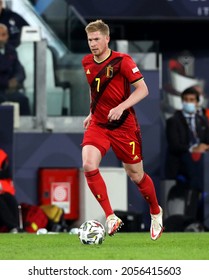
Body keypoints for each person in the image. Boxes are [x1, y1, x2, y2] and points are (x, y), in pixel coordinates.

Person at [81, 19, 163, 240]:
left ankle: (156, 211)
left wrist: (121, 106)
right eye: (90, 39)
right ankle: (110, 216)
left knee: (136, 175)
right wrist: (91, 112)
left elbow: (143, 89)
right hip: (99, 123)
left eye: (97, 39)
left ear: (107, 39)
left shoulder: (122, 61)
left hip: (124, 126)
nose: (93, 44)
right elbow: (94, 89)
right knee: (88, 163)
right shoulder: (87, 62)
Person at [165, 86, 209, 190]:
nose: (188, 103)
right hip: (181, 166)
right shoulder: (173, 121)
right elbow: (174, 146)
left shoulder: (202, 120)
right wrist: (193, 149)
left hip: (201, 164)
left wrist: (206, 147)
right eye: (185, 100)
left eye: (191, 100)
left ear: (197, 103)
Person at [0, 23, 30, 115]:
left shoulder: (11, 51)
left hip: (9, 90)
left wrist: (16, 80)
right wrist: (7, 83)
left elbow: (20, 70)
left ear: (7, 36)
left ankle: (26, 128)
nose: (0, 38)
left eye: (3, 35)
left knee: (23, 100)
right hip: (2, 88)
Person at [0, 149, 20, 233]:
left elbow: (6, 173)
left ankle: (15, 227)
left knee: (10, 199)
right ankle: (12, 226)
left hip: (1, 191)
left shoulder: (2, 154)